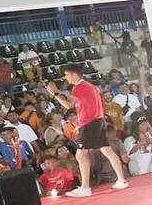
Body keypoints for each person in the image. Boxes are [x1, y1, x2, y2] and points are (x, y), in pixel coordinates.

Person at [54, 63, 128, 196]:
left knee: (81, 154)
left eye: (66, 75)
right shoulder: (91, 87)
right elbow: (91, 107)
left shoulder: (79, 87)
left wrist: (54, 93)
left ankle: (85, 187)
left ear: (74, 74)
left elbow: (68, 105)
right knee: (107, 150)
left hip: (90, 123)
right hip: (97, 121)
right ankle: (121, 180)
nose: (65, 78)